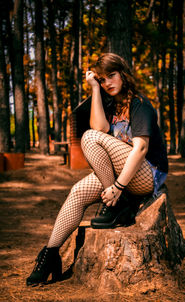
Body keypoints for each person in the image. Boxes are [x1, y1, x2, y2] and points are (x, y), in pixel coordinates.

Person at [26, 53, 168, 286]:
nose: (107, 83)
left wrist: (118, 188)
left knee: (90, 138)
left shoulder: (140, 104)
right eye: (102, 79)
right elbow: (100, 127)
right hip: (124, 174)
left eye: (111, 76)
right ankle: (49, 255)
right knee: (77, 192)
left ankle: (119, 203)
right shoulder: (111, 104)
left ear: (123, 74)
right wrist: (94, 89)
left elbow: (140, 148)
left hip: (147, 174)